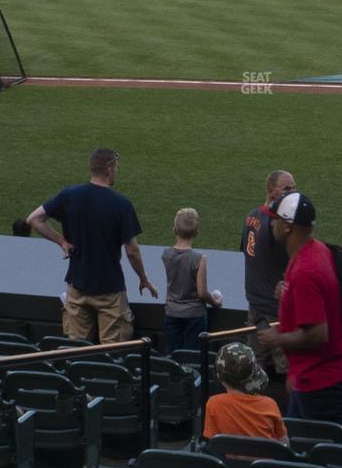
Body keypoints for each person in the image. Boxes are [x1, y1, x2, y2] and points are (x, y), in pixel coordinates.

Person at [25, 148, 158, 343]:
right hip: (109, 290)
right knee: (112, 355)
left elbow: (34, 219)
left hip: (77, 289)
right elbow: (132, 250)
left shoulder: (69, 195)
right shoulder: (121, 204)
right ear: (109, 168)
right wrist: (144, 278)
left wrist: (62, 241)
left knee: (76, 353)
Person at [254, 191, 342, 424]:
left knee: (319, 455)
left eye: (275, 218)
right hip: (315, 378)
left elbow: (317, 335)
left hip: (321, 386)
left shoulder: (305, 271)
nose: (272, 223)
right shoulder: (316, 250)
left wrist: (276, 339)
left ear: (288, 226)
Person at [243, 170, 298, 373]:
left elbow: (248, 254)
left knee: (254, 364)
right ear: (271, 191)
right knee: (287, 366)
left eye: (294, 188)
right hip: (275, 308)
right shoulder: (279, 226)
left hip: (254, 300)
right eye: (287, 189)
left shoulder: (251, 216)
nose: (293, 192)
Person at [162, 209, 223, 357]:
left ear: (174, 230)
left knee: (172, 356)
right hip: (194, 316)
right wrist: (215, 302)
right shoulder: (199, 258)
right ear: (197, 232)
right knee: (192, 357)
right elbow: (202, 292)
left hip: (171, 313)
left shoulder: (166, 254)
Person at [202, 342, 286, 441]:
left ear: (219, 377)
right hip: (265, 456)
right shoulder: (269, 404)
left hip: (225, 457)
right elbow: (283, 442)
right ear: (254, 373)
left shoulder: (213, 404)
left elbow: (212, 442)